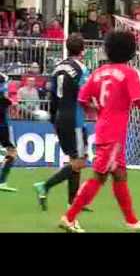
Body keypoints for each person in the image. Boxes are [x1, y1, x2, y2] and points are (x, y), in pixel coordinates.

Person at [58, 31, 140, 233]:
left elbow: (82, 99)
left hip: (104, 128)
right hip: (114, 134)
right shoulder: (129, 73)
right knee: (99, 176)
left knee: (120, 175)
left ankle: (132, 221)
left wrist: (99, 109)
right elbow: (139, 101)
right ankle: (69, 217)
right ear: (130, 50)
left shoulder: (99, 72)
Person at [33, 35, 91, 212]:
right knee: (80, 161)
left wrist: (53, 118)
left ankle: (73, 202)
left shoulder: (57, 68)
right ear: (82, 51)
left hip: (60, 117)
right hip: (75, 119)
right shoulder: (81, 68)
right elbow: (85, 95)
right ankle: (45, 185)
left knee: (74, 159)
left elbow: (52, 95)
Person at [0, 73, 18, 192]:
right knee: (12, 152)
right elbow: (6, 100)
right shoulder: (4, 98)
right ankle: (2, 182)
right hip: (2, 125)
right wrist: (12, 103)